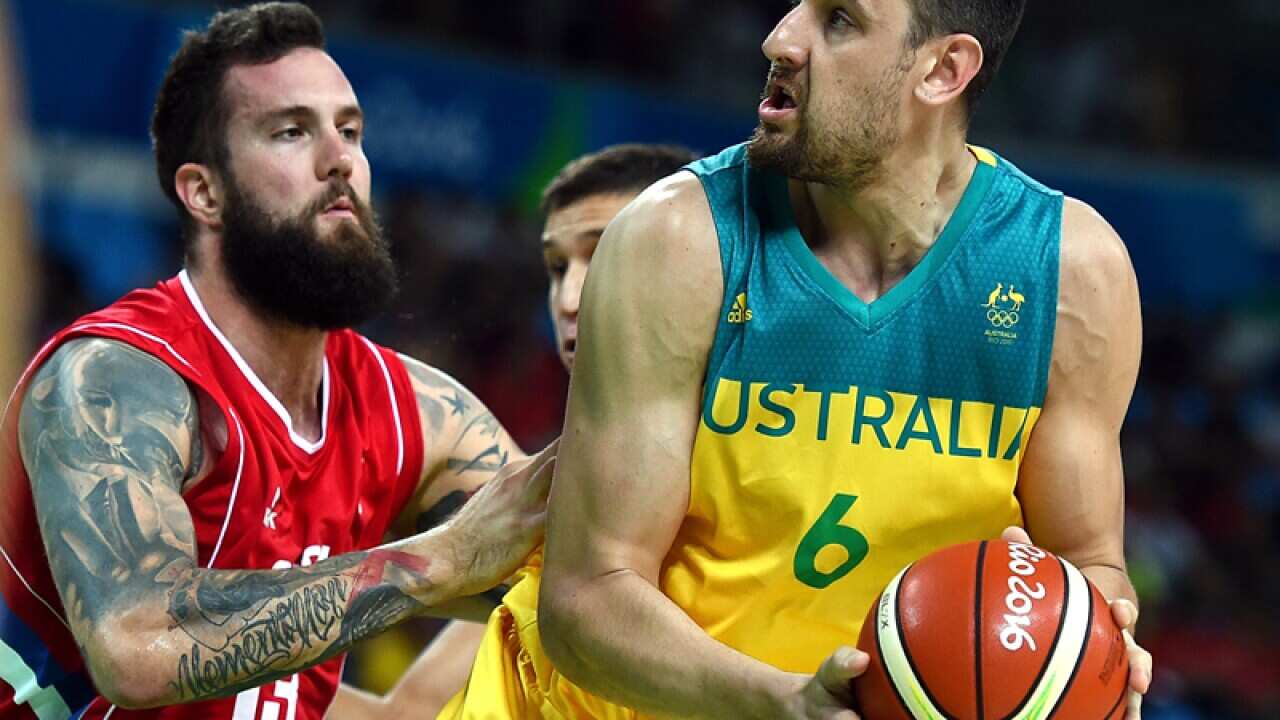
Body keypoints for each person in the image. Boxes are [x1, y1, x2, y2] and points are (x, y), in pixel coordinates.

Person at [460, 1, 1156, 718]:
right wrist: (786, 704)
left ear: (944, 70)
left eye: (840, 20)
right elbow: (586, 599)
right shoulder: (676, 241)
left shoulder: (1069, 270)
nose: (780, 39)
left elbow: (1089, 561)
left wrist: (1095, 653)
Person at [0, 4, 553, 719]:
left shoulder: (409, 407)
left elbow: (581, 580)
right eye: (292, 131)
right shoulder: (115, 379)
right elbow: (136, 647)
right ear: (206, 193)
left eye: (350, 130)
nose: (340, 158)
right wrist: (435, 563)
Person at [328, 144, 697, 719]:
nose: (569, 299)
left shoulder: (755, 479)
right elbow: (408, 716)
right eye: (556, 268)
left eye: (607, 255)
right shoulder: (552, 504)